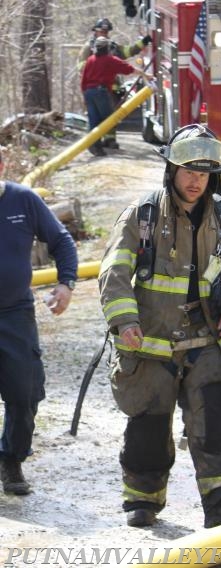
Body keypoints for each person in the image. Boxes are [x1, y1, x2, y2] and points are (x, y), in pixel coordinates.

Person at [98, 124, 221, 529]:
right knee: (149, 426)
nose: (196, 181)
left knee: (217, 419)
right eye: (189, 171)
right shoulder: (143, 216)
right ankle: (143, 498)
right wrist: (124, 322)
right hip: (151, 345)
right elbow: (114, 272)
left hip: (207, 342)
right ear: (170, 170)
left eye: (204, 174)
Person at [0, 148, 78, 495]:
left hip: (14, 313)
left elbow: (61, 241)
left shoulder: (23, 200)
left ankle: (11, 460)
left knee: (24, 391)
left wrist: (66, 283)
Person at [77, 18, 152, 150]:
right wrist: (102, 64)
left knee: (110, 117)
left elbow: (128, 51)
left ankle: (109, 140)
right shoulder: (89, 48)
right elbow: (81, 67)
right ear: (95, 31)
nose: (104, 33)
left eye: (106, 31)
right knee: (103, 117)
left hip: (110, 89)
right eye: (102, 31)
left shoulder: (111, 47)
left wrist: (143, 42)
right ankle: (95, 142)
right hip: (98, 89)